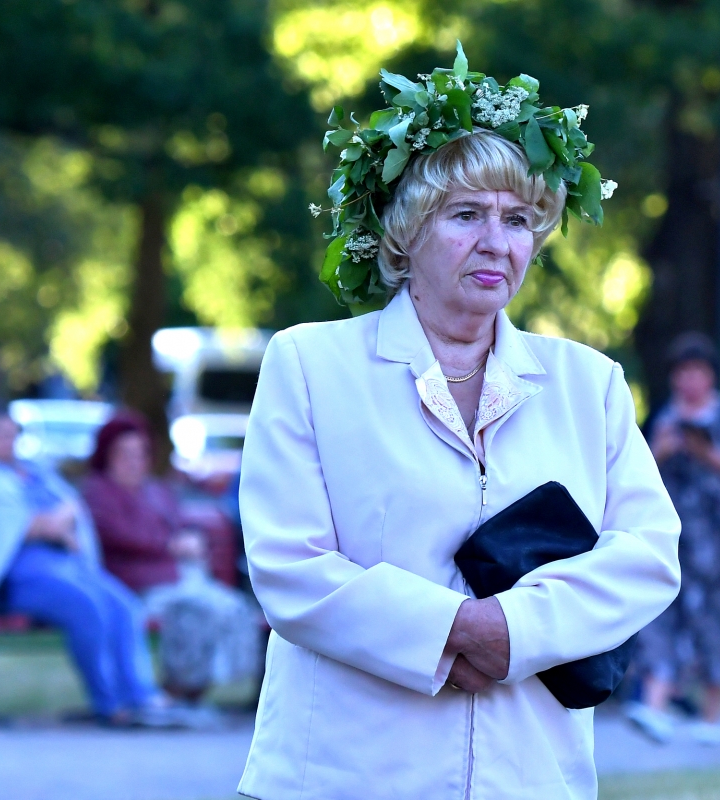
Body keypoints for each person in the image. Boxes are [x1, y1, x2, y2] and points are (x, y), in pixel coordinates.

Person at [235, 54, 681, 800]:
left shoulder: (589, 383)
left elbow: (648, 554)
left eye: (518, 220)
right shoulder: (310, 364)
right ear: (406, 233)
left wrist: (515, 631)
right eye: (467, 215)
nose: (497, 242)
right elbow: (288, 565)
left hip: (530, 774)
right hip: (346, 774)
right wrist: (449, 632)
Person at [0, 406, 162, 725]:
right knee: (87, 606)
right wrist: (48, 526)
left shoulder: (30, 469)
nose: (8, 442)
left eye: (13, 435)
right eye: (0, 435)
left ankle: (143, 696)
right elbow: (0, 525)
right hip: (16, 573)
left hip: (65, 562)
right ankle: (112, 705)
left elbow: (71, 502)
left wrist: (54, 523)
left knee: (124, 605)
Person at [625, 333, 720, 745]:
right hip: (667, 537)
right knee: (659, 613)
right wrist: (661, 449)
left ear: (710, 376)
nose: (689, 381)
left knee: (714, 621)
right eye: (682, 373)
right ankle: (655, 706)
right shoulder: (661, 417)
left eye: (696, 372)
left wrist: (707, 453)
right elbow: (633, 468)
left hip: (717, 545)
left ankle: (711, 718)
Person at [82, 413, 261, 704]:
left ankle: (195, 691)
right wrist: (171, 545)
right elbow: (118, 536)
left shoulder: (155, 491)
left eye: (140, 454)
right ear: (107, 456)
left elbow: (183, 525)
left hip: (180, 579)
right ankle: (176, 693)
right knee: (197, 611)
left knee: (234, 607)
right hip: (134, 586)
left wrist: (193, 538)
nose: (134, 462)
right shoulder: (99, 493)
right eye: (125, 455)